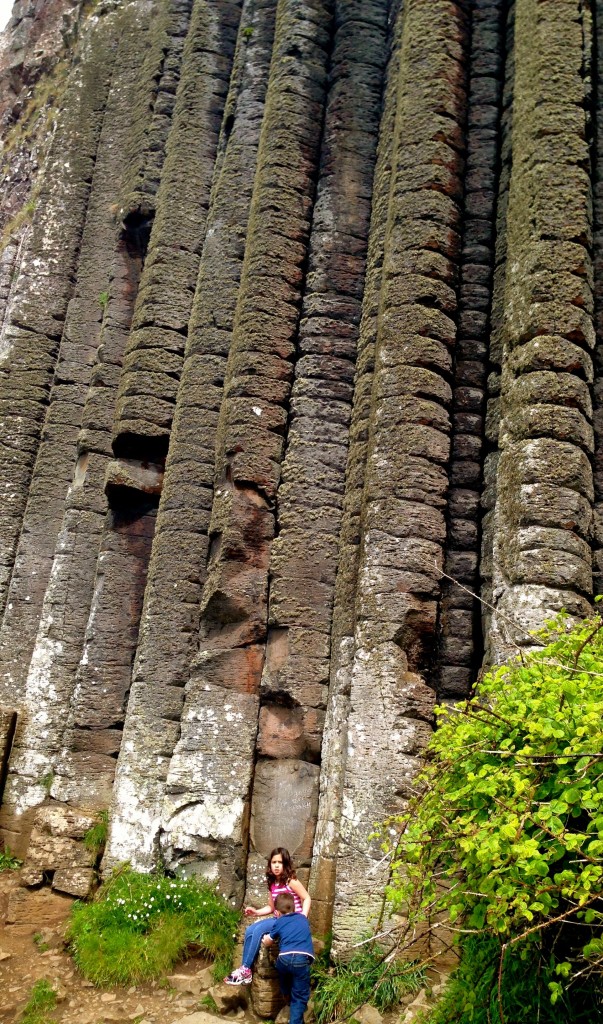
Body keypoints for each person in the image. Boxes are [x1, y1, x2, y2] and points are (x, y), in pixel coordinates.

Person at [224, 847, 311, 985]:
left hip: (291, 920)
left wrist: (302, 919)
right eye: (274, 862)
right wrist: (256, 912)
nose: (276, 865)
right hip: (278, 919)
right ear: (270, 864)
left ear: (285, 864)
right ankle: (245, 971)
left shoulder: (291, 881)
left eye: (280, 862)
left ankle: (246, 968)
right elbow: (271, 907)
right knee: (250, 929)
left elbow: (306, 898)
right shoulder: (273, 884)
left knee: (258, 930)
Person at [262, 892, 314, 1024]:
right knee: (300, 995)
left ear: (277, 913)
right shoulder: (303, 918)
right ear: (295, 908)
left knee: (283, 973)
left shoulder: (279, 922)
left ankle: (286, 994)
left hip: (284, 958)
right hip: (302, 959)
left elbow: (269, 941)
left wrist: (265, 940)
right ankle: (295, 1015)